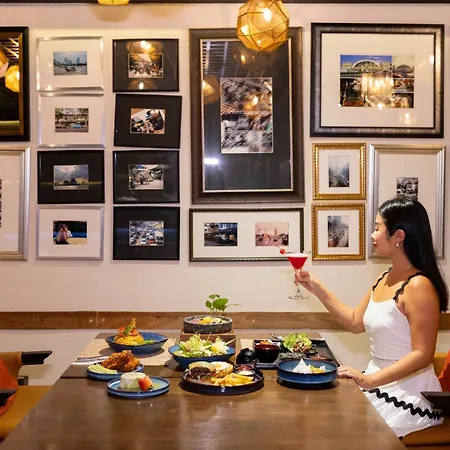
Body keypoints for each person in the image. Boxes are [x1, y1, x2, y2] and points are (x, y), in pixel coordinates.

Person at [296, 197, 447, 438]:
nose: (372, 235)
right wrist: (316, 288)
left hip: (408, 395)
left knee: (345, 434)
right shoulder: (384, 278)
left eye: (377, 228)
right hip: (377, 383)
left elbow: (422, 354)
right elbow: (355, 322)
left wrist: (369, 380)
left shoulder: (419, 286)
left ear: (398, 236)